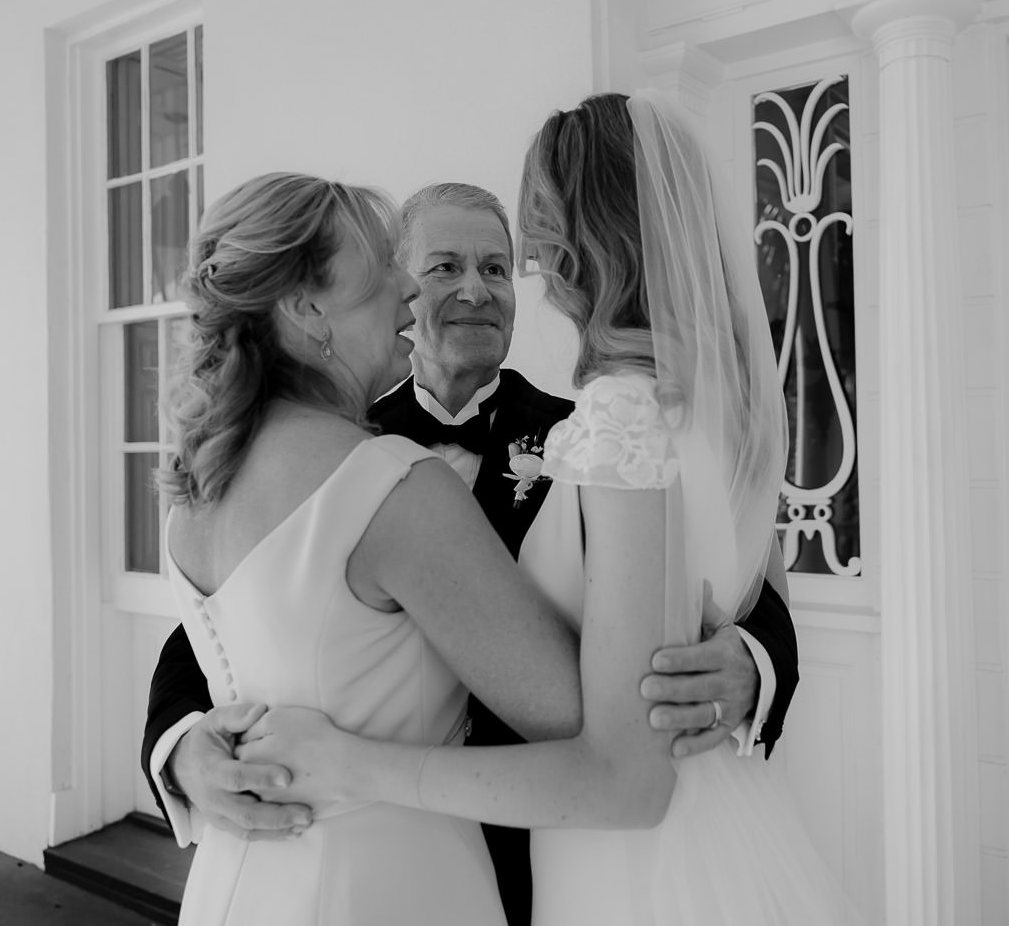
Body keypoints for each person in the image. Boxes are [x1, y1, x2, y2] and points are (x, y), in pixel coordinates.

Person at [234, 94, 861, 925]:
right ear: (398, 288)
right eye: (444, 267)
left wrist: (754, 665)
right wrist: (183, 753)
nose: (489, 283)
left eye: (500, 264)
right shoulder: (330, 452)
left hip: (580, 839)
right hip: (390, 858)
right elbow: (234, 613)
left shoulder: (593, 427)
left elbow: (749, 598)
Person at [154, 173, 587, 924]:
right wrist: (183, 749)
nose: (409, 294)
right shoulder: (389, 480)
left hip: (242, 886)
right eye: (412, 266)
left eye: (495, 268)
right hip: (392, 881)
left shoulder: (203, 475)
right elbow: (573, 709)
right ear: (305, 306)